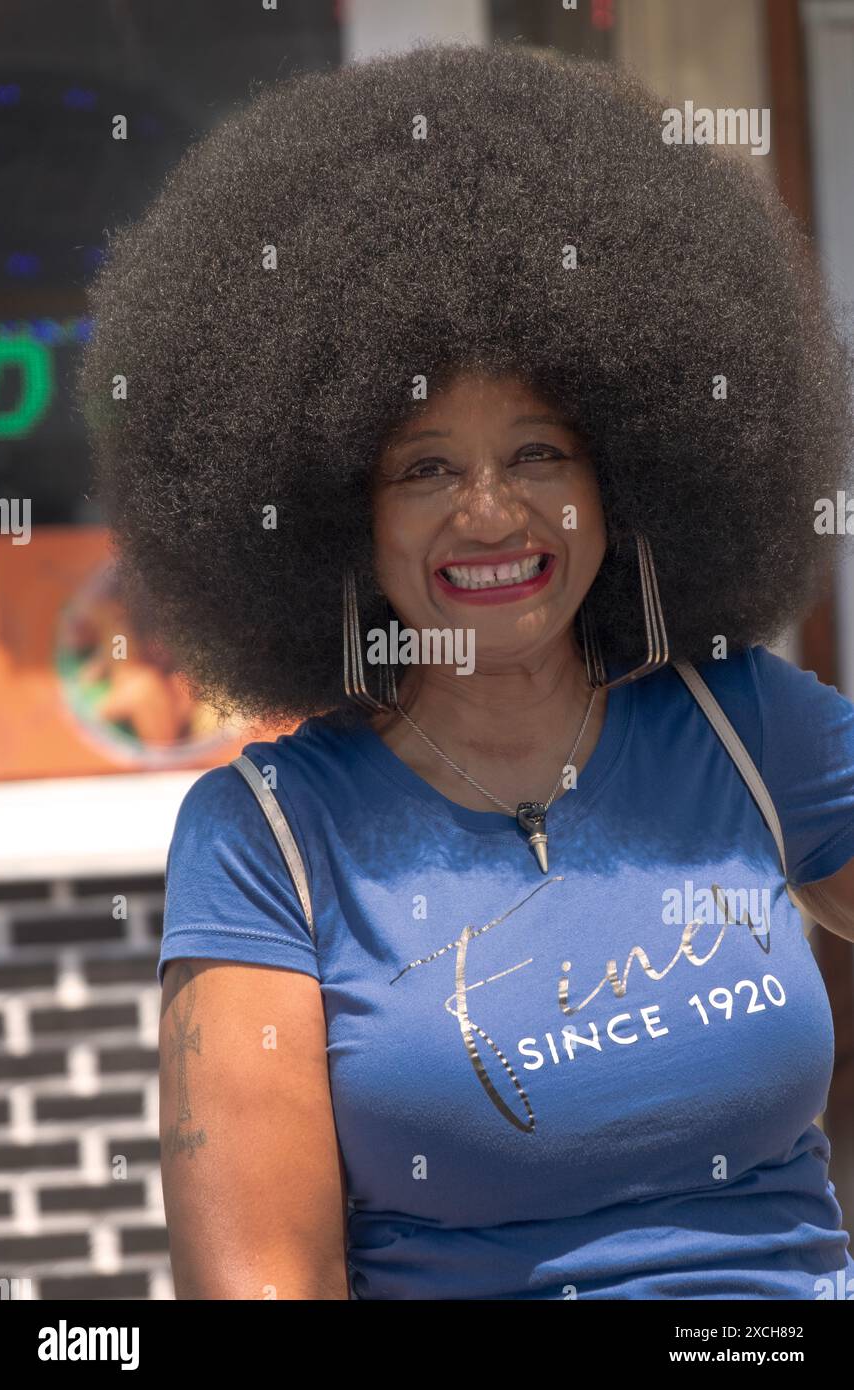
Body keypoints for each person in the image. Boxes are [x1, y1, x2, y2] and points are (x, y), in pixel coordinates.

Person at [76, 41, 854, 1300]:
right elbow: (265, 1280)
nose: (492, 514)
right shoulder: (268, 837)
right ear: (339, 515)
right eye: (424, 467)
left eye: (538, 452)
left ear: (620, 474)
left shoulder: (745, 724)